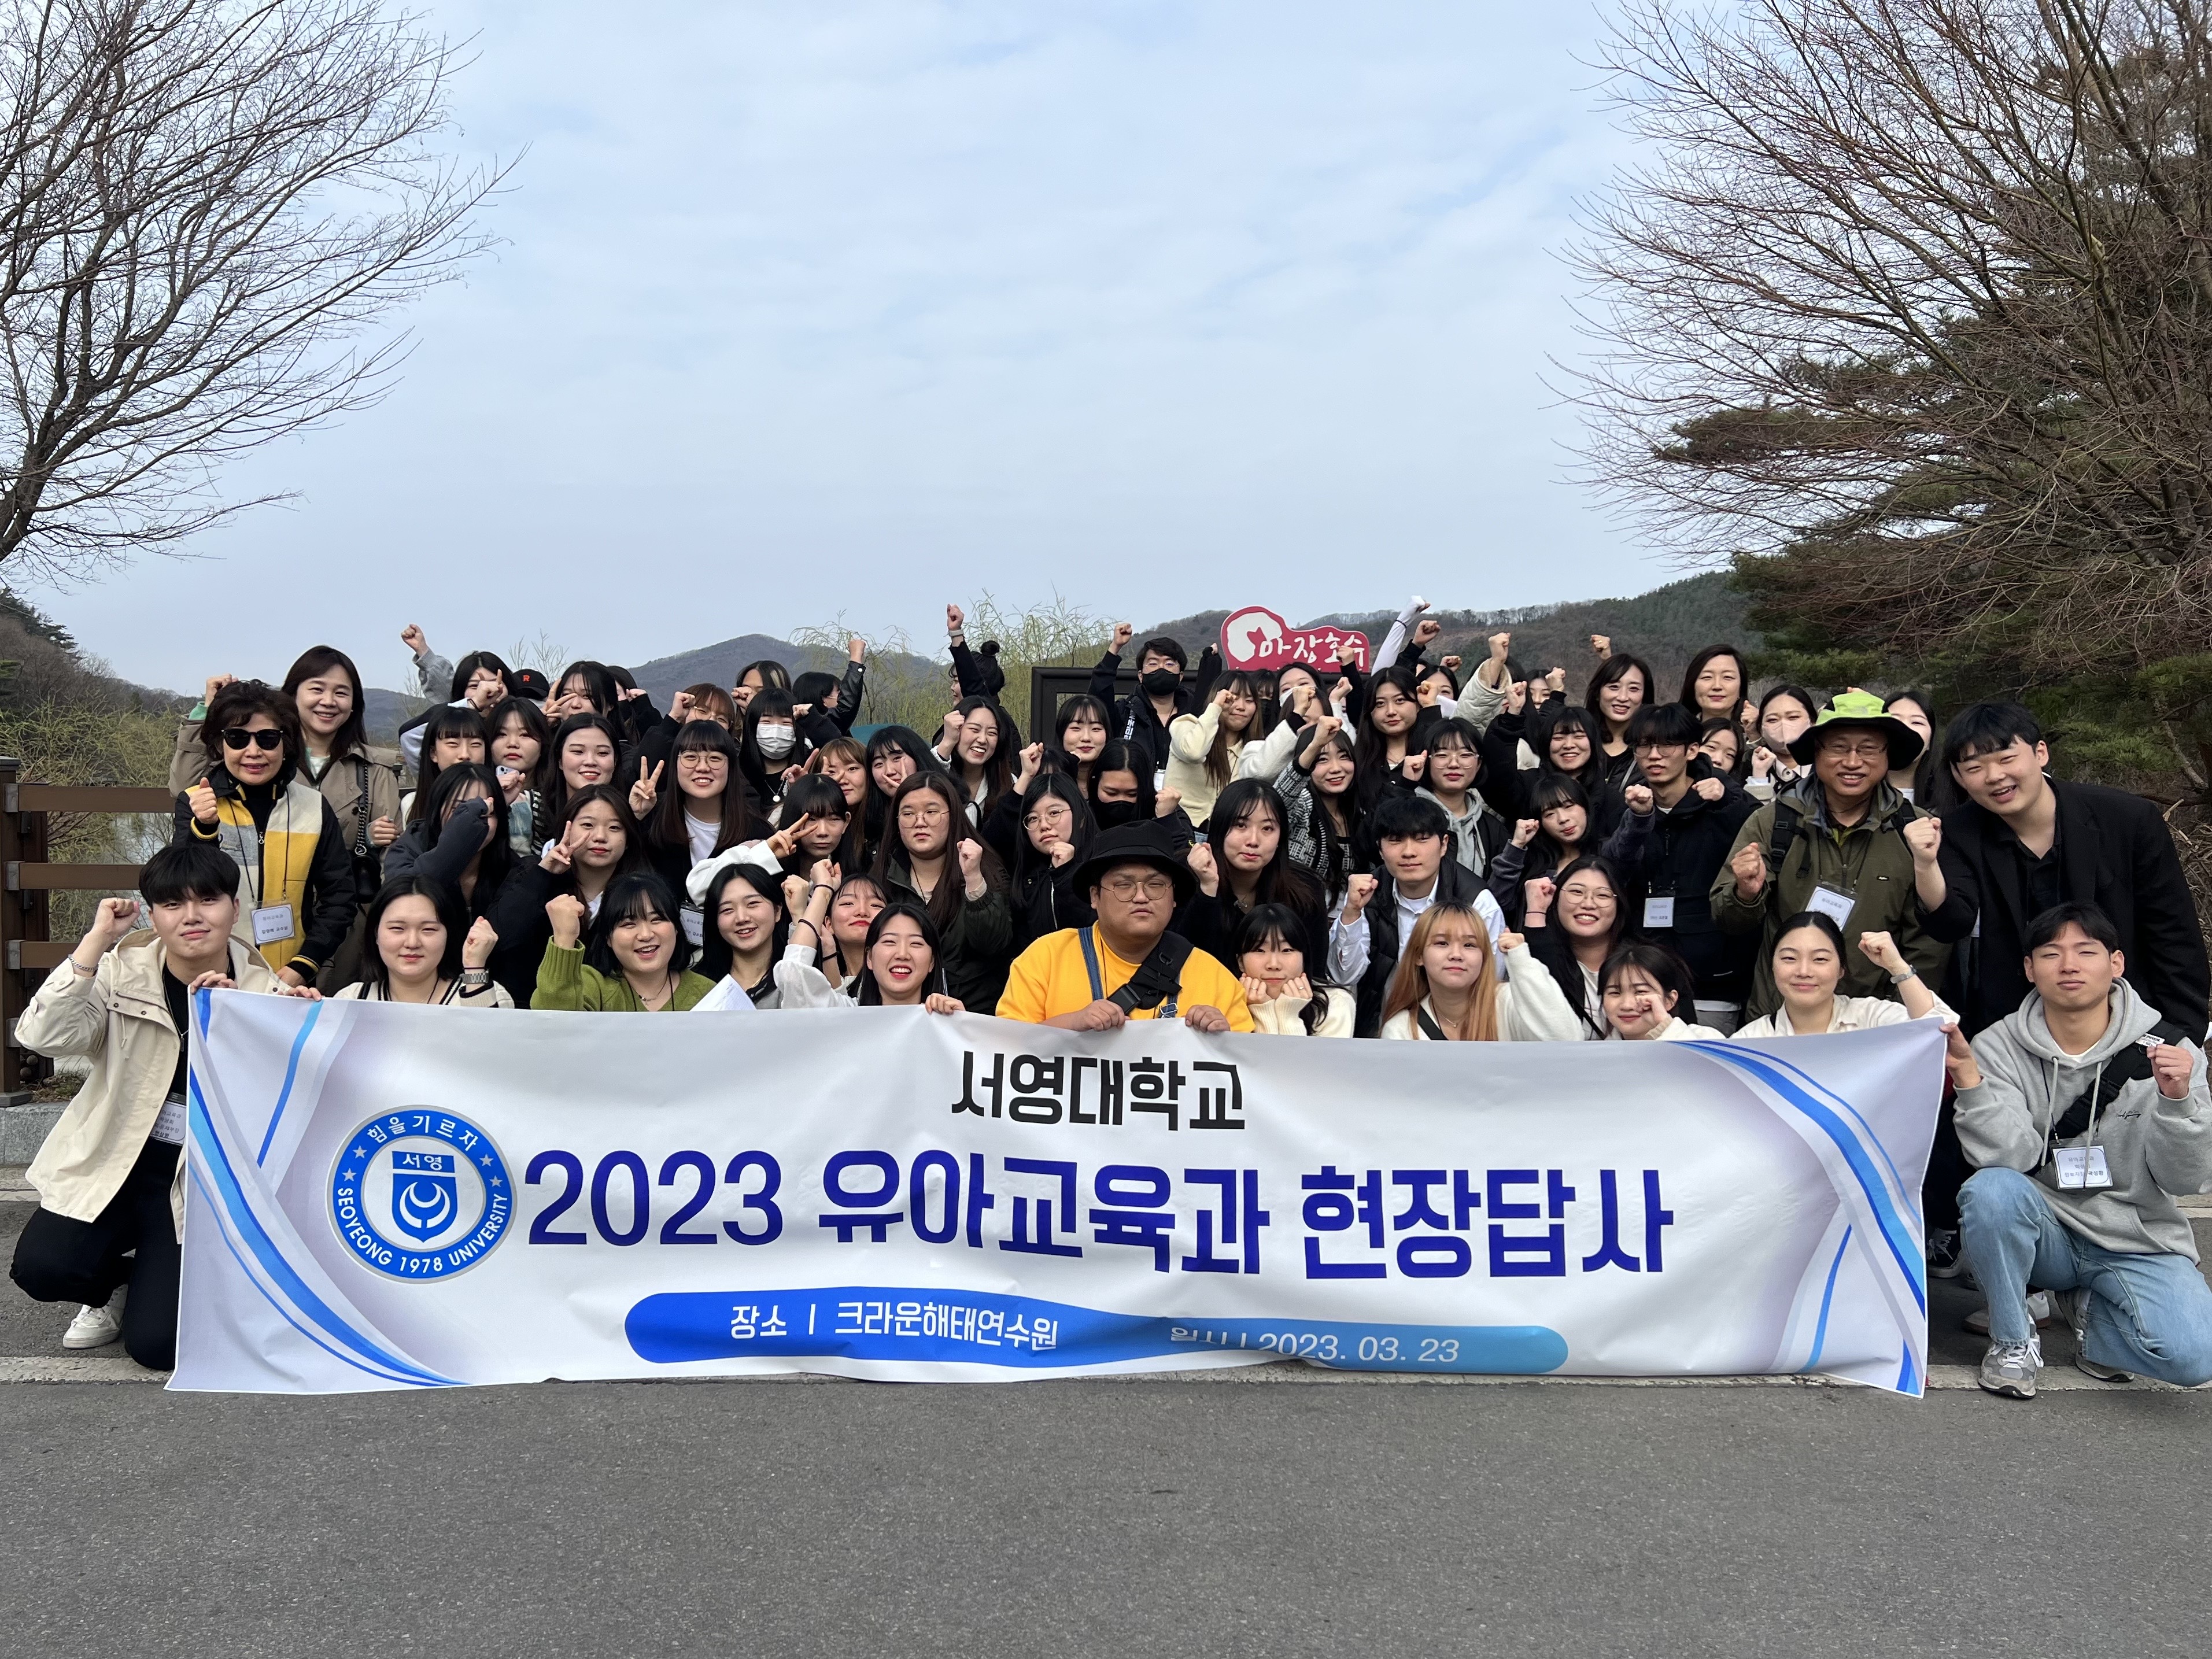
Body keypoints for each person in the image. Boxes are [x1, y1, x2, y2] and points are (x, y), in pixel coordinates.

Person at [8, 844, 305, 1369]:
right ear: (152, 914)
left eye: (208, 900)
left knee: (158, 1346)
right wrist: (97, 940)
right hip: (117, 1160)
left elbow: (285, 1108)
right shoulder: (119, 974)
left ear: (234, 908)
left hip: (198, 1181)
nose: (192, 916)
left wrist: (244, 1022)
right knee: (41, 1269)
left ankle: (166, 1278)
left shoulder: (268, 994)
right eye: (172, 904)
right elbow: (42, 1034)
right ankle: (115, 1285)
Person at [1946, 903, 2212, 1398]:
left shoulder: (2173, 1051)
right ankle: (2012, 1341)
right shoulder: (1997, 1045)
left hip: (2136, 1235)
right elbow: (2007, 1159)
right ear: (2029, 968)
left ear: (2116, 963)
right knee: (1990, 1192)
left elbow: (2184, 1180)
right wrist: (1968, 1081)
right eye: (2051, 953)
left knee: (2194, 1356)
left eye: (2085, 951)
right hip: (2044, 1227)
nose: (2068, 965)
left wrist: (2176, 1102)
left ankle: (2092, 1321)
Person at [1922, 701, 2208, 1040]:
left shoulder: (2127, 820)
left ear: (2041, 753)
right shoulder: (1958, 832)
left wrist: (2181, 1035)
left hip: (2124, 1018)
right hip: (2013, 1028)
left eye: (2007, 758)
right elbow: (1951, 923)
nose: (1994, 776)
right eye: (1974, 767)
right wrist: (1925, 864)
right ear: (1958, 776)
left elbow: (2173, 933)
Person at [172, 649, 403, 989]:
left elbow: (339, 897)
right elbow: (182, 889)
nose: (254, 751)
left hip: (293, 977)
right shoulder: (198, 803)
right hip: (213, 975)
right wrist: (204, 829)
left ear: (286, 743)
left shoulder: (313, 806)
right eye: (237, 738)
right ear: (220, 745)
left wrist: (304, 964)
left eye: (268, 739)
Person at [1712, 690, 1949, 1018]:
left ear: (1888, 755)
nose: (1853, 762)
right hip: (1781, 1018)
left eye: (1869, 749)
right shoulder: (1774, 821)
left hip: (1875, 1021)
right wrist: (1745, 894)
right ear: (1816, 752)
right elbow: (1727, 920)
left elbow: (1929, 940)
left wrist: (1896, 1017)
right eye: (1838, 747)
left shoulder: (1914, 830)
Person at [995, 821, 1253, 1031]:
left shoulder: (1214, 977)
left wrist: (1222, 1041)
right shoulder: (1047, 958)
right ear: (1095, 896)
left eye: (1155, 885)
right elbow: (1006, 1047)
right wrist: (1072, 1024)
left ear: (1174, 897)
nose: (1141, 897)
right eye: (1123, 885)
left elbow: (1248, 1064)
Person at [1617, 701, 1759, 1030]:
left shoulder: (1724, 807)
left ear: (1692, 750)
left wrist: (1727, 800)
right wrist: (1637, 820)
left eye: (1667, 745)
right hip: (1645, 981)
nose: (1654, 756)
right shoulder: (1628, 806)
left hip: (1714, 985)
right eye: (1644, 746)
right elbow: (1615, 871)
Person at [1330, 792, 1499, 1037]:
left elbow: (1491, 978)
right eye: (1395, 840)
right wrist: (1352, 913)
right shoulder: (1366, 894)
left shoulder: (1476, 900)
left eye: (1422, 839)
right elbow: (1344, 976)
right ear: (1380, 849)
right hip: (1380, 1029)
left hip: (1459, 1032)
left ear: (1444, 844)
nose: (1408, 852)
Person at [490, 786, 649, 1005]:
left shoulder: (642, 894)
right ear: (568, 829)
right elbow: (499, 939)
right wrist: (543, 874)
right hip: (533, 1010)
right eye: (588, 825)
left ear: (628, 838)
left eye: (614, 827)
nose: (600, 837)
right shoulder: (532, 874)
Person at [873, 771, 1013, 1013]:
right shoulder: (881, 878)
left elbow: (994, 944)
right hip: (901, 1014)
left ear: (953, 815)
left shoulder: (985, 870)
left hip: (971, 1014)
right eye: (908, 814)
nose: (920, 822)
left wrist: (974, 881)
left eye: (932, 812)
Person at [1179, 779, 1329, 973]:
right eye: (1241, 825)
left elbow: (1314, 971)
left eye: (1267, 828)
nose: (1253, 841)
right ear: (1219, 829)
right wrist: (1208, 890)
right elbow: (1183, 964)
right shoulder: (1184, 877)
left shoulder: (1304, 890)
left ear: (1281, 837)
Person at [1377, 902, 1583, 1041]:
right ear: (1418, 956)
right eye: (1442, 943)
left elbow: (1567, 1040)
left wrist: (1522, 961)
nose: (1456, 955)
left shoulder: (1509, 1002)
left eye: (1470, 945)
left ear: (1484, 957)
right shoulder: (1401, 1029)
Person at [1731, 917, 1951, 1038]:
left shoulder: (1872, 1019)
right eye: (1790, 958)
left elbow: (1942, 1030)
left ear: (1841, 969)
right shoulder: (1752, 1040)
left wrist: (1897, 966)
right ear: (1772, 967)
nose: (1804, 971)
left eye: (1820, 959)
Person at [535, 871, 717, 1012]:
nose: (645, 935)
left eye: (657, 920)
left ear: (676, 928)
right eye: (629, 924)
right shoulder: (591, 984)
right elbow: (552, 1025)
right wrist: (564, 938)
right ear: (608, 938)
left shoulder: (708, 993)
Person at [334, 877, 510, 1006]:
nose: (412, 943)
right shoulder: (351, 1000)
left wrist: (475, 971)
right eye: (398, 928)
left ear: (448, 935)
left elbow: (490, 1044)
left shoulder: (490, 994)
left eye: (428, 929)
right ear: (376, 934)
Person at [1087, 625, 1220, 786]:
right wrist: (1115, 648)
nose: (1161, 668)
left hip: (1184, 797)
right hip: (1134, 796)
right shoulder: (1125, 712)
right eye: (1153, 663)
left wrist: (1211, 665)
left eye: (1169, 664)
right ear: (1141, 676)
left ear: (1180, 676)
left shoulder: (1193, 715)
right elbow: (1097, 703)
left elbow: (1210, 702)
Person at [1519, 856, 1635, 1039]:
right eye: (1576, 892)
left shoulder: (1645, 965)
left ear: (1619, 904)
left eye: (1603, 895)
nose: (1588, 904)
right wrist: (1536, 911)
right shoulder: (1547, 959)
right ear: (1556, 899)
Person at [1165, 672, 1294, 827]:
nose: (1241, 707)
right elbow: (1194, 752)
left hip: (1226, 833)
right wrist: (1216, 708)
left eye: (1249, 701)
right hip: (1179, 829)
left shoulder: (1253, 749)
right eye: (1232, 698)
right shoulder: (1186, 725)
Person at [1277, 716, 1362, 911]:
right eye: (1322, 760)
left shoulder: (1359, 814)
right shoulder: (1302, 804)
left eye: (1344, 757)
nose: (1336, 768)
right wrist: (1315, 745)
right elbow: (1277, 804)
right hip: (1295, 916)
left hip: (1346, 922)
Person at [1236, 902, 1355, 1036]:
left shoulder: (1335, 1003)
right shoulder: (1226, 1001)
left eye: (1287, 950)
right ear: (1240, 961)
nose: (1274, 964)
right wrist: (1261, 1012)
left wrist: (1289, 1017)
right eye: (1259, 950)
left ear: (1304, 959)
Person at [1009, 774, 1096, 951]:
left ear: (1080, 817)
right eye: (1033, 818)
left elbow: (1094, 929)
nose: (1044, 825)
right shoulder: (1027, 874)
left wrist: (1067, 874)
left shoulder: (1100, 865)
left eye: (1054, 813)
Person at [689, 862, 791, 1011]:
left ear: (777, 911)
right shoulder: (697, 986)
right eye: (727, 910)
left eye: (752, 903)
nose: (742, 918)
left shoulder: (794, 979)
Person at [1412, 719, 1508, 877]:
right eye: (1442, 755)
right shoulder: (1408, 814)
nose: (1454, 764)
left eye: (1465, 755)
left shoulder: (1492, 829)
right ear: (1426, 761)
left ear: (1479, 763)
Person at [1599, 943, 1730, 1041]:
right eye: (1615, 993)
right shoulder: (1597, 1055)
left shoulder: (1707, 1038)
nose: (1627, 1005)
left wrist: (1665, 1027)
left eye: (1641, 991)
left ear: (1670, 1000)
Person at [488, 696, 553, 858]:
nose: (512, 743)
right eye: (501, 734)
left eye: (525, 734)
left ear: (543, 744)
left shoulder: (556, 797)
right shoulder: (476, 796)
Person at [1584, 652, 1656, 782]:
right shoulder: (1579, 740)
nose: (1623, 697)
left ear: (1644, 696)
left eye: (1634, 689)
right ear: (1597, 693)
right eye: (1614, 687)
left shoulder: (1655, 748)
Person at [1746, 684, 1817, 800]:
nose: (1783, 725)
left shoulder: (1827, 767)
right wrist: (1759, 779)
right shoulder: (1747, 766)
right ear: (1761, 728)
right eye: (1772, 719)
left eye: (1793, 717)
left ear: (1812, 722)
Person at [1678, 645, 1752, 729]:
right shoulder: (1673, 732)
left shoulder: (1756, 732)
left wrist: (1754, 734)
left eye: (1727, 677)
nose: (1717, 686)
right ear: (1692, 686)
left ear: (1741, 688)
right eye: (1707, 677)